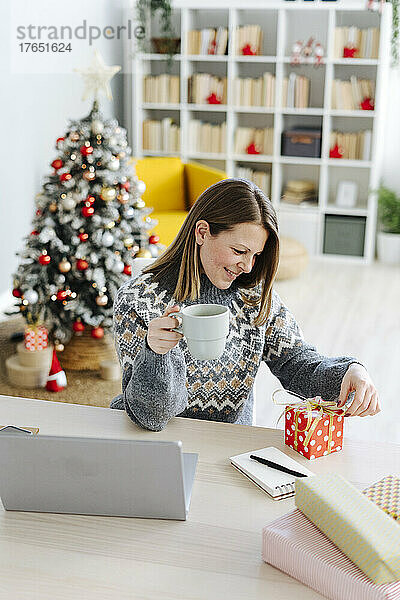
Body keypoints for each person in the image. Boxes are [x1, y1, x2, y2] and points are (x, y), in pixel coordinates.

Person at [110, 179, 380, 431]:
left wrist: (348, 371)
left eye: (256, 255)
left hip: (229, 446)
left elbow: (296, 364)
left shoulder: (255, 296)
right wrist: (155, 353)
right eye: (239, 251)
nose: (248, 266)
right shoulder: (138, 299)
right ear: (202, 232)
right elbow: (151, 416)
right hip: (154, 439)